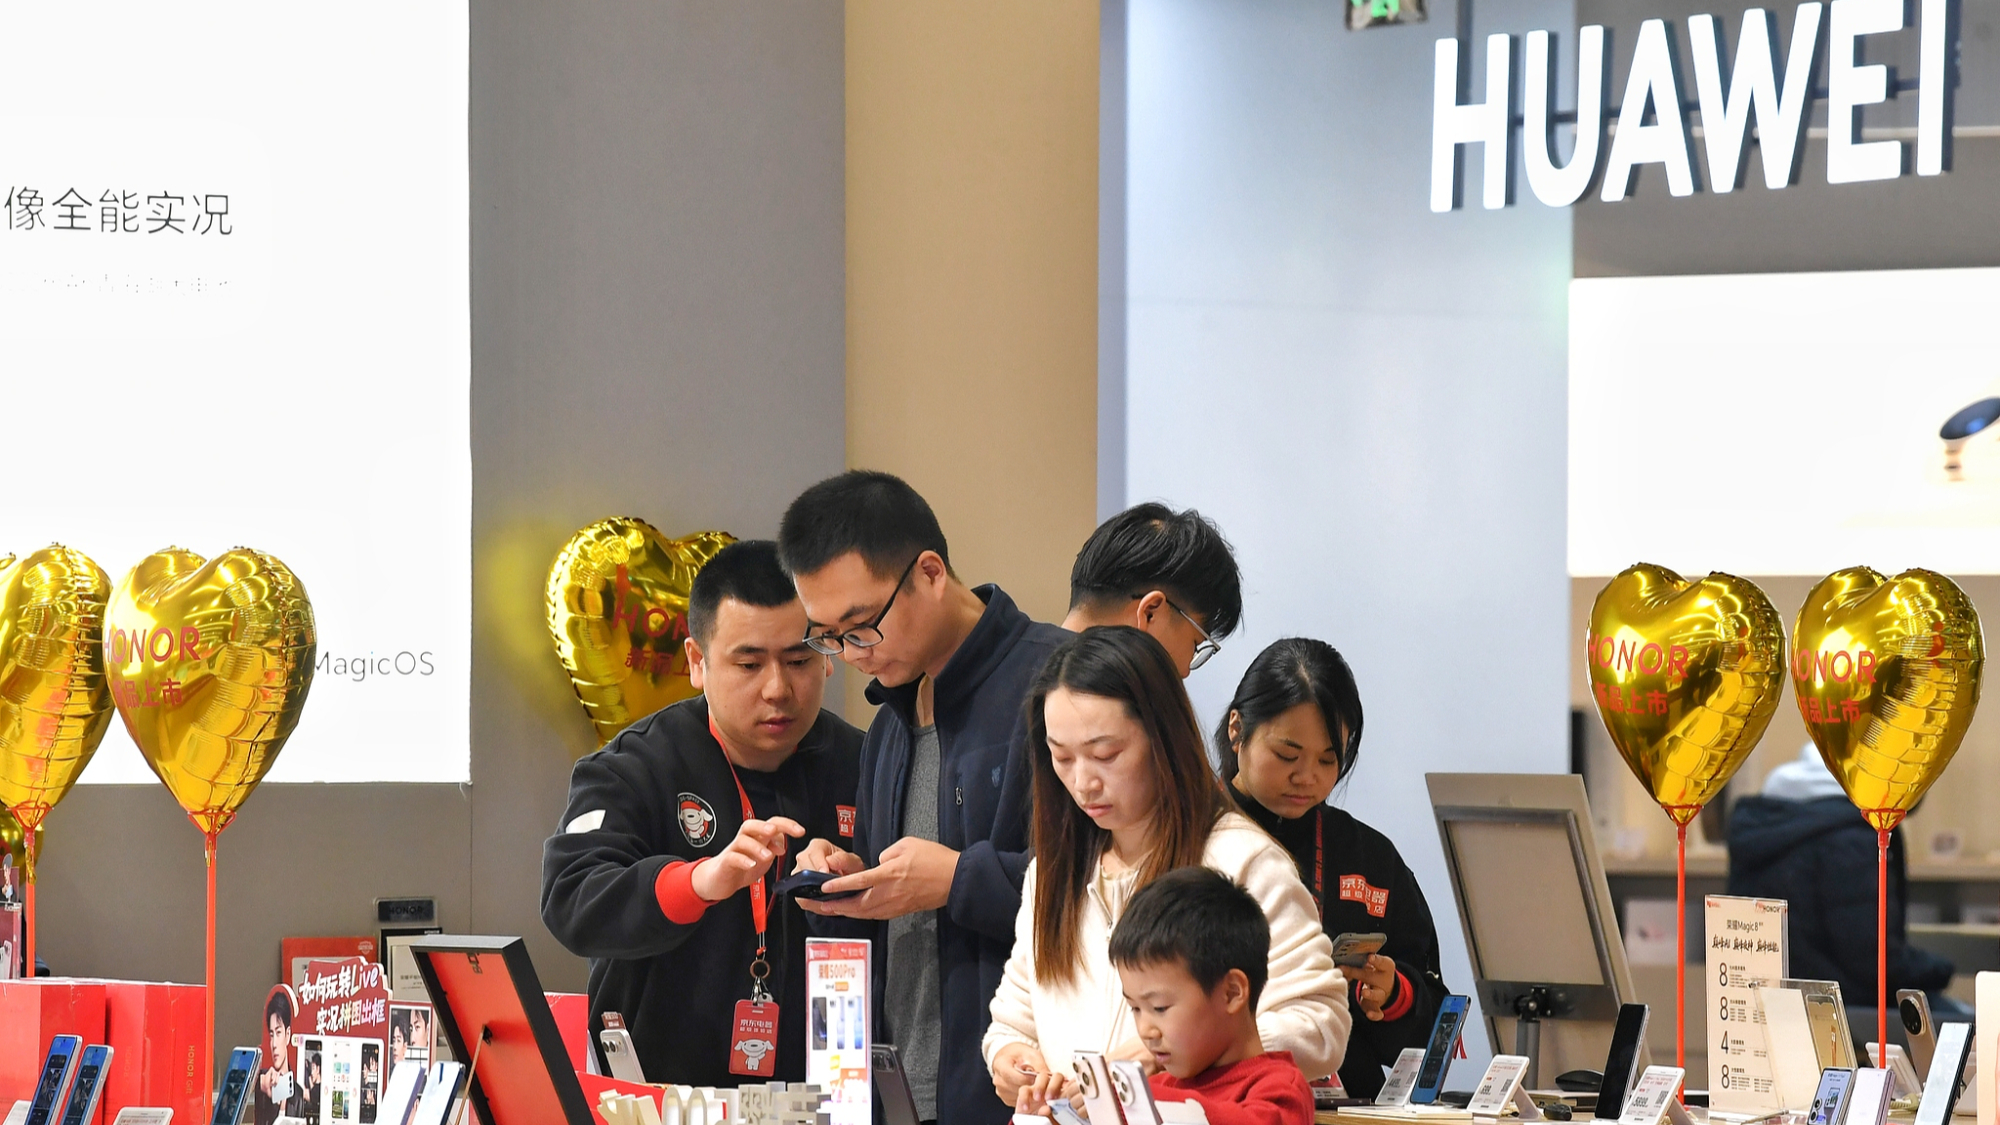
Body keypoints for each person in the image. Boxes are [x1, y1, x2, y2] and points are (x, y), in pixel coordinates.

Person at [780, 469, 1071, 1125]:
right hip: (899, 1095)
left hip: (1024, 1094)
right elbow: (899, 922)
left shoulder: (1063, 683)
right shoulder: (889, 726)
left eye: (861, 626)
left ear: (931, 573)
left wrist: (959, 879)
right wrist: (848, 884)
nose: (850, 655)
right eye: (827, 636)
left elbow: (1118, 890)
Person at [541, 539, 863, 1086]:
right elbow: (571, 899)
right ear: (697, 662)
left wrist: (859, 887)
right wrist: (699, 882)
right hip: (660, 1098)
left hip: (824, 1094)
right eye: (749, 664)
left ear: (827, 657)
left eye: (799, 660)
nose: (778, 688)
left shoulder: (865, 763)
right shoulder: (634, 766)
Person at [983, 627, 1346, 1106]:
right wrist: (1011, 1059)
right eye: (1062, 757)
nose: (1083, 782)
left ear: (1163, 739)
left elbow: (1320, 1024)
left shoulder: (1240, 861)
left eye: (1105, 754)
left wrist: (1172, 1052)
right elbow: (1014, 1020)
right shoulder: (1054, 871)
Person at [1215, 638, 1448, 1098]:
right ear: (1237, 730)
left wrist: (1392, 994)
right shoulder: (1189, 835)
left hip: (1346, 1106)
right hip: (1220, 1096)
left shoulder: (1368, 856)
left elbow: (1435, 1021)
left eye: (1329, 759)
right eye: (1287, 755)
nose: (1308, 777)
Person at [1018, 866, 1316, 1125]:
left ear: (1231, 993)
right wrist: (1051, 1116)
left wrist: (1138, 1102)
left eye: (1159, 1008)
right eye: (1135, 1009)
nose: (1145, 1031)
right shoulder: (1160, 1087)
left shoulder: (1280, 1090)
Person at [1727, 743, 1959, 1014]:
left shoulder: (1764, 820)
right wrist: (1944, 970)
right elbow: (1873, 961)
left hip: (1768, 1007)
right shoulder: (1854, 836)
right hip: (1841, 1011)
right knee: (1965, 1024)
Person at [1060, 502, 1242, 678]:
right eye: (1195, 645)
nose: (1185, 672)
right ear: (1150, 613)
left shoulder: (1045, 664)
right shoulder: (1100, 693)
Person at [255, 988, 296, 1125]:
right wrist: (262, 1083)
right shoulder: (262, 1083)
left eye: (278, 1033)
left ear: (288, 1035)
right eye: (271, 1035)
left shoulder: (298, 1094)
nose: (274, 1044)